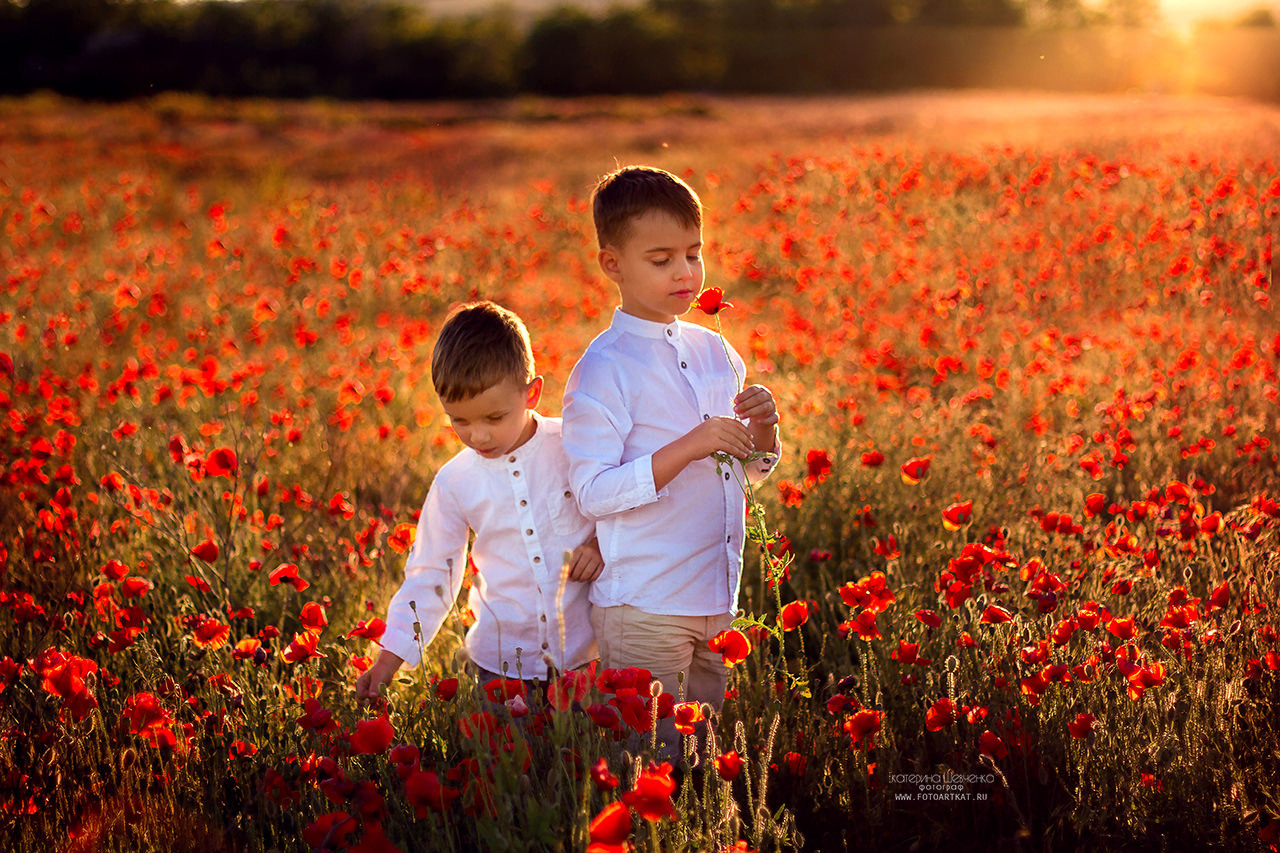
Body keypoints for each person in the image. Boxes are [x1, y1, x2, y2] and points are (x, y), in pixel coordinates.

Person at [561, 165, 782, 753]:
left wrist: (761, 428)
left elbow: (746, 474)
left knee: (703, 757)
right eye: (661, 260)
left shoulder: (716, 351)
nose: (685, 273)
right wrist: (690, 445)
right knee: (652, 762)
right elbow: (593, 492)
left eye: (694, 253)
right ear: (613, 264)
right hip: (646, 605)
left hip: (717, 598)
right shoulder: (604, 369)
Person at [356, 301, 602, 704]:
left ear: (532, 393)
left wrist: (600, 546)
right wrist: (388, 661)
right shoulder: (455, 482)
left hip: (586, 657)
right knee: (510, 764)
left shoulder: (573, 446)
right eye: (460, 421)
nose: (478, 436)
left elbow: (619, 504)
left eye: (493, 418)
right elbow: (431, 573)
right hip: (501, 667)